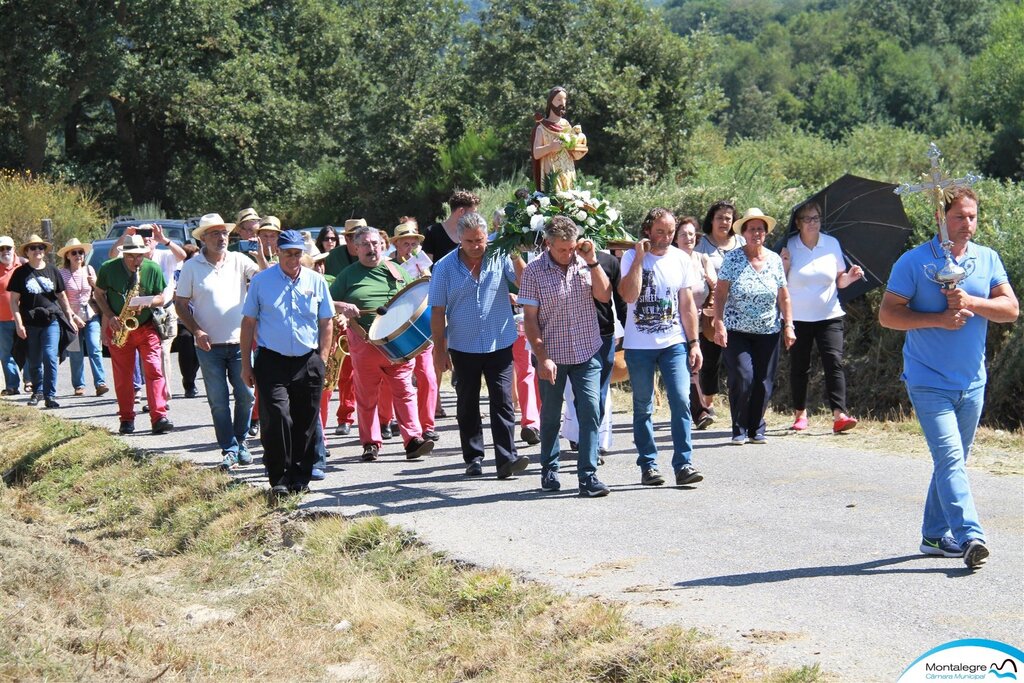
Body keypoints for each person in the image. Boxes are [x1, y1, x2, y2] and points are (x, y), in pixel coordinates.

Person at [879, 187, 1018, 569]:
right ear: (940, 218)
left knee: (950, 461)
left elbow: (1010, 310)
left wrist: (972, 302)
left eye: (973, 217)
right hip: (927, 379)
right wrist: (938, 319)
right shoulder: (914, 262)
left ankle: (932, 536)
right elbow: (888, 315)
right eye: (960, 217)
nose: (968, 224)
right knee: (951, 457)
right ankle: (971, 534)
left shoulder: (987, 259)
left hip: (972, 380)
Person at [429, 211, 526, 478]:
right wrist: (440, 350)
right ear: (460, 239)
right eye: (470, 241)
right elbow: (437, 312)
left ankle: (507, 458)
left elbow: (525, 282)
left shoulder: (499, 254)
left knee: (503, 400)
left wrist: (516, 254)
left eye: (480, 240)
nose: (476, 246)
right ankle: (474, 458)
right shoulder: (444, 267)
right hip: (463, 345)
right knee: (467, 403)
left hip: (500, 340)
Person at [519, 216, 609, 496]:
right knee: (550, 415)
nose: (568, 254)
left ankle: (588, 476)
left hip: (586, 350)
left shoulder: (585, 262)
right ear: (548, 244)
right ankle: (549, 468)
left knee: (591, 410)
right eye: (562, 249)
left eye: (571, 248)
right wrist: (542, 356)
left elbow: (605, 297)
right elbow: (530, 320)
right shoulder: (534, 272)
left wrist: (593, 261)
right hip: (552, 354)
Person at [330, 225, 434, 462]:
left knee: (405, 391)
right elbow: (327, 299)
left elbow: (415, 295)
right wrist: (342, 307)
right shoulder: (348, 274)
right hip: (364, 343)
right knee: (366, 397)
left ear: (383, 246)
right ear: (355, 249)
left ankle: (413, 440)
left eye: (375, 243)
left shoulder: (396, 270)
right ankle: (370, 443)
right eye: (365, 244)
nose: (371, 248)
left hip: (397, 343)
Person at [241, 230, 333, 496]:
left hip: (308, 359)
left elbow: (326, 321)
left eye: (297, 253)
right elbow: (248, 323)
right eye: (287, 253)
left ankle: (300, 477)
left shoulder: (316, 281)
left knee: (305, 419)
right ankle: (279, 477)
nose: (293, 258)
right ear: (277, 252)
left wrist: (322, 358)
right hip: (272, 359)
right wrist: (246, 365)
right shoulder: (262, 282)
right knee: (278, 416)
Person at [619, 209, 704, 487]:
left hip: (673, 342)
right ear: (647, 230)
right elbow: (629, 295)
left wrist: (694, 343)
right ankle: (648, 465)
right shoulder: (632, 257)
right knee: (643, 406)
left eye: (670, 232)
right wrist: (640, 259)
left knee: (680, 399)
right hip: (639, 345)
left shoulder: (681, 259)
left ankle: (683, 463)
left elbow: (687, 305)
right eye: (660, 232)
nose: (666, 238)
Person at [175, 213, 260, 470]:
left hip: (240, 343)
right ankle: (230, 448)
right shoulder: (192, 266)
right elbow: (180, 304)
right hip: (208, 345)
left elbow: (267, 277)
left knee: (246, 395)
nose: (221, 237)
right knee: (219, 400)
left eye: (224, 232)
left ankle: (241, 440)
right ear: (203, 238)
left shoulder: (238, 259)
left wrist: (262, 253)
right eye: (214, 233)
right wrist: (196, 331)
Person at [713, 208, 795, 445]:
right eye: (752, 229)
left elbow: (784, 297)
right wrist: (719, 323)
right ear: (744, 233)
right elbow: (720, 295)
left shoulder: (775, 260)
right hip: (736, 329)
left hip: (768, 330)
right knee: (743, 376)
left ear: (766, 233)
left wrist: (788, 325)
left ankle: (756, 428)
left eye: (760, 229)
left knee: (763, 381)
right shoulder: (733, 258)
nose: (756, 233)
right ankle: (738, 428)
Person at [781, 201, 864, 433]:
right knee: (800, 366)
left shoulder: (831, 244)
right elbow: (781, 284)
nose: (812, 223)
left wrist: (850, 276)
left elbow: (840, 280)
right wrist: (784, 265)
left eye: (816, 218)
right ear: (797, 223)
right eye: (807, 219)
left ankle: (840, 414)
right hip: (797, 318)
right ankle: (800, 414)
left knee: (834, 362)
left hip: (830, 314)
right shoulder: (788, 246)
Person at [94, 234, 173, 434]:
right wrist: (110, 316)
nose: (136, 261)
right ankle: (126, 419)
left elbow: (162, 297)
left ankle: (159, 417)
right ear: (124, 254)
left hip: (147, 326)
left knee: (154, 370)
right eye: (131, 257)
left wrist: (146, 302)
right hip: (120, 327)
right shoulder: (108, 268)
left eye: (140, 256)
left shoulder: (152, 268)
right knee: (123, 376)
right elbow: (98, 294)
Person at [8, 234, 77, 408]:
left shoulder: (53, 270)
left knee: (50, 357)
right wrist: (19, 324)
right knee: (34, 359)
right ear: (27, 252)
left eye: (40, 247)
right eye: (33, 248)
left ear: (44, 251)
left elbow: (62, 296)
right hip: (30, 322)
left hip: (51, 320)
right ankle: (37, 391)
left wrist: (70, 317)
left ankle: (50, 395)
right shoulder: (20, 273)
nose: (37, 250)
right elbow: (14, 301)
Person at [389, 219, 439, 440]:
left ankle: (428, 425)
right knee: (399, 379)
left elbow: (433, 290)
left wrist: (425, 274)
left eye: (413, 244)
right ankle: (393, 420)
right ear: (397, 245)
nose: (410, 248)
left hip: (422, 327)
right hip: (398, 328)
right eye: (405, 244)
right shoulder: (388, 265)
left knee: (427, 376)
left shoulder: (422, 264)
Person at [694, 201, 743, 425]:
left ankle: (740, 404)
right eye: (720, 217)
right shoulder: (702, 244)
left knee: (738, 361)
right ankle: (708, 402)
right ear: (711, 220)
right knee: (711, 359)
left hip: (741, 310)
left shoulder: (742, 242)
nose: (724, 222)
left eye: (728, 218)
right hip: (712, 311)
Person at [675, 215, 716, 429]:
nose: (688, 238)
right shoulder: (671, 259)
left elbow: (715, 286)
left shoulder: (702, 259)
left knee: (700, 367)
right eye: (683, 234)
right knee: (690, 369)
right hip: (677, 323)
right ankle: (700, 411)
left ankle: (697, 406)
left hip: (701, 322)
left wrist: (711, 281)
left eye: (691, 234)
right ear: (675, 238)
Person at [58, 238, 108, 397]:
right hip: (72, 318)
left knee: (94, 348)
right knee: (76, 352)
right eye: (74, 252)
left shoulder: (89, 270)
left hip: (91, 315)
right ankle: (79, 385)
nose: (78, 255)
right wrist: (72, 317)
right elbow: (61, 298)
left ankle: (100, 383)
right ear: (67, 256)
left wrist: (95, 284)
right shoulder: (62, 274)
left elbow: (100, 292)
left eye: (81, 252)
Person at [531, 86, 588, 192]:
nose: (563, 103)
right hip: (551, 172)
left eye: (565, 99)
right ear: (550, 102)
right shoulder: (542, 128)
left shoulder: (566, 124)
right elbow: (536, 153)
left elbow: (572, 146)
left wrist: (577, 144)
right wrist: (550, 147)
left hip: (567, 170)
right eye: (559, 99)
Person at [174, 243, 201, 398]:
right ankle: (188, 382)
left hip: (202, 316)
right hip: (183, 317)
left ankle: (192, 375)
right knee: (185, 342)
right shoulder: (178, 273)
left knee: (199, 350)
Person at [423, 190, 480, 263]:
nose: (475, 217)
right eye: (473, 213)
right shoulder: (433, 232)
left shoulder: (471, 235)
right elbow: (426, 267)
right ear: (461, 211)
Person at [1, 235, 26, 395]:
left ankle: (30, 382)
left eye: (7, 248)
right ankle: (12, 385)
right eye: (1, 249)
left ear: (14, 248)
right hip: (2, 319)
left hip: (24, 317)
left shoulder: (23, 265)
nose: (4, 251)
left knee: (28, 351)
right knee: (5, 354)